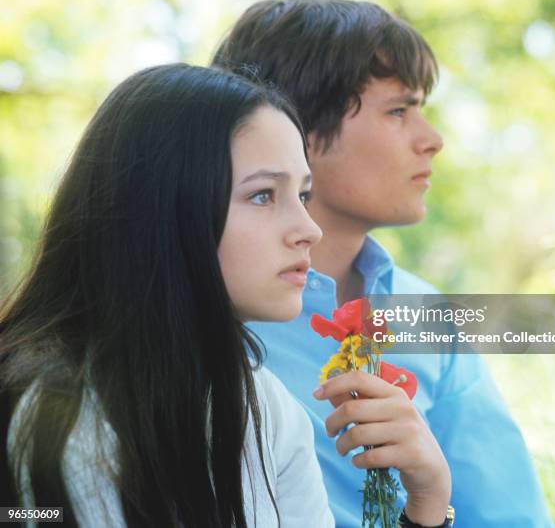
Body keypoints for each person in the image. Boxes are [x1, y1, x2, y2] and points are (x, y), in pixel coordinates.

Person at [213, 0, 554, 527]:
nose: (432, 140)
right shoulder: (199, 310)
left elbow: (506, 517)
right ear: (291, 128)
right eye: (399, 110)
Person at [0, 64, 335, 527]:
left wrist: (425, 510)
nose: (309, 230)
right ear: (164, 207)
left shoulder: (265, 408)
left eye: (303, 195)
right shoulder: (51, 414)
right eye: (263, 196)